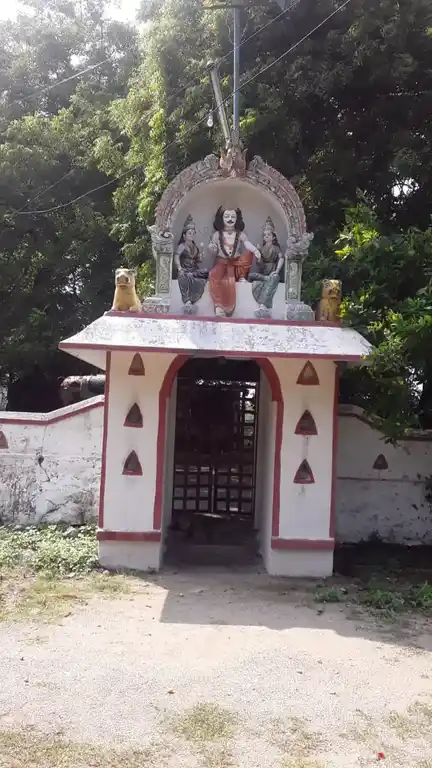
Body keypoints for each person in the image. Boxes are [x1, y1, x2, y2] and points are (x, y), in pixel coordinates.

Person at [208, 206, 261, 317]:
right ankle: (218, 306)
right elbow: (213, 250)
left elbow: (247, 244)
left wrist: (255, 250)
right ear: (221, 218)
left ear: (237, 219)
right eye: (226, 216)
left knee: (248, 255)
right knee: (213, 275)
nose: (230, 219)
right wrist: (212, 248)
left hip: (236, 263)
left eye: (233, 216)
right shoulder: (217, 235)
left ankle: (242, 276)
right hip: (221, 262)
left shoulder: (241, 234)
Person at [249, 217, 284, 317]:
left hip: (273, 271)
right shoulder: (262, 248)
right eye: (265, 235)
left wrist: (277, 271)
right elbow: (260, 265)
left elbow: (281, 258)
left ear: (273, 237)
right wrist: (259, 256)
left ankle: (263, 305)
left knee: (273, 278)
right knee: (251, 276)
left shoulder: (276, 248)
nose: (266, 236)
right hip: (264, 273)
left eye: (269, 235)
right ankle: (266, 278)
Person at [174, 215, 208, 312]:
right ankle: (187, 301)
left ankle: (192, 277)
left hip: (194, 270)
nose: (191, 235)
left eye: (193, 233)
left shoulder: (195, 246)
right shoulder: (182, 246)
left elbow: (198, 260)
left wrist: (201, 256)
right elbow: (176, 257)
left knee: (206, 272)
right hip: (185, 270)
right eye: (189, 233)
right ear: (184, 235)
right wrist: (179, 268)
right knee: (183, 276)